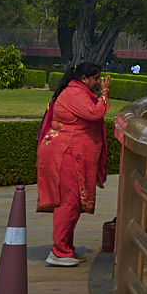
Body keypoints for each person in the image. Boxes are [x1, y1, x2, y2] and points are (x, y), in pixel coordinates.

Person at [36, 61, 111, 267]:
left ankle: (65, 248)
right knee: (68, 202)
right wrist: (105, 93)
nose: (98, 82)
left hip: (68, 151)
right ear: (83, 79)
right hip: (65, 153)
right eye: (95, 79)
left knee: (74, 202)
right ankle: (59, 251)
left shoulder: (76, 92)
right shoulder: (74, 93)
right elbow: (95, 113)